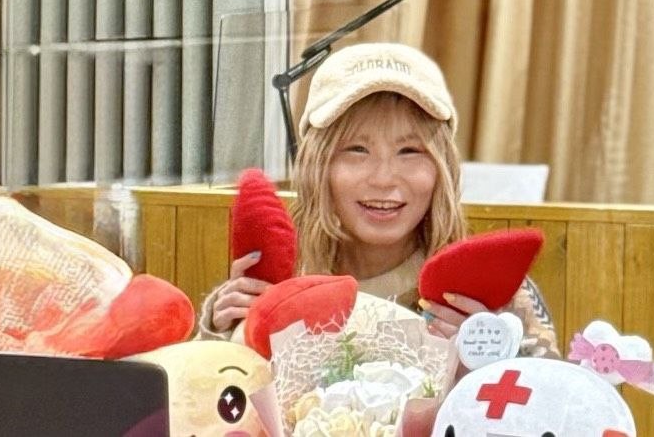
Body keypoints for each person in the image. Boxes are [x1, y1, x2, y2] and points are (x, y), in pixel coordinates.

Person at [197, 42, 559, 358]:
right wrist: (224, 335)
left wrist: (492, 355)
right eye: (356, 149)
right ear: (315, 165)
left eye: (409, 151)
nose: (384, 179)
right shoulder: (282, 283)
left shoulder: (491, 292)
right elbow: (206, 400)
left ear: (443, 168)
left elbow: (557, 401)